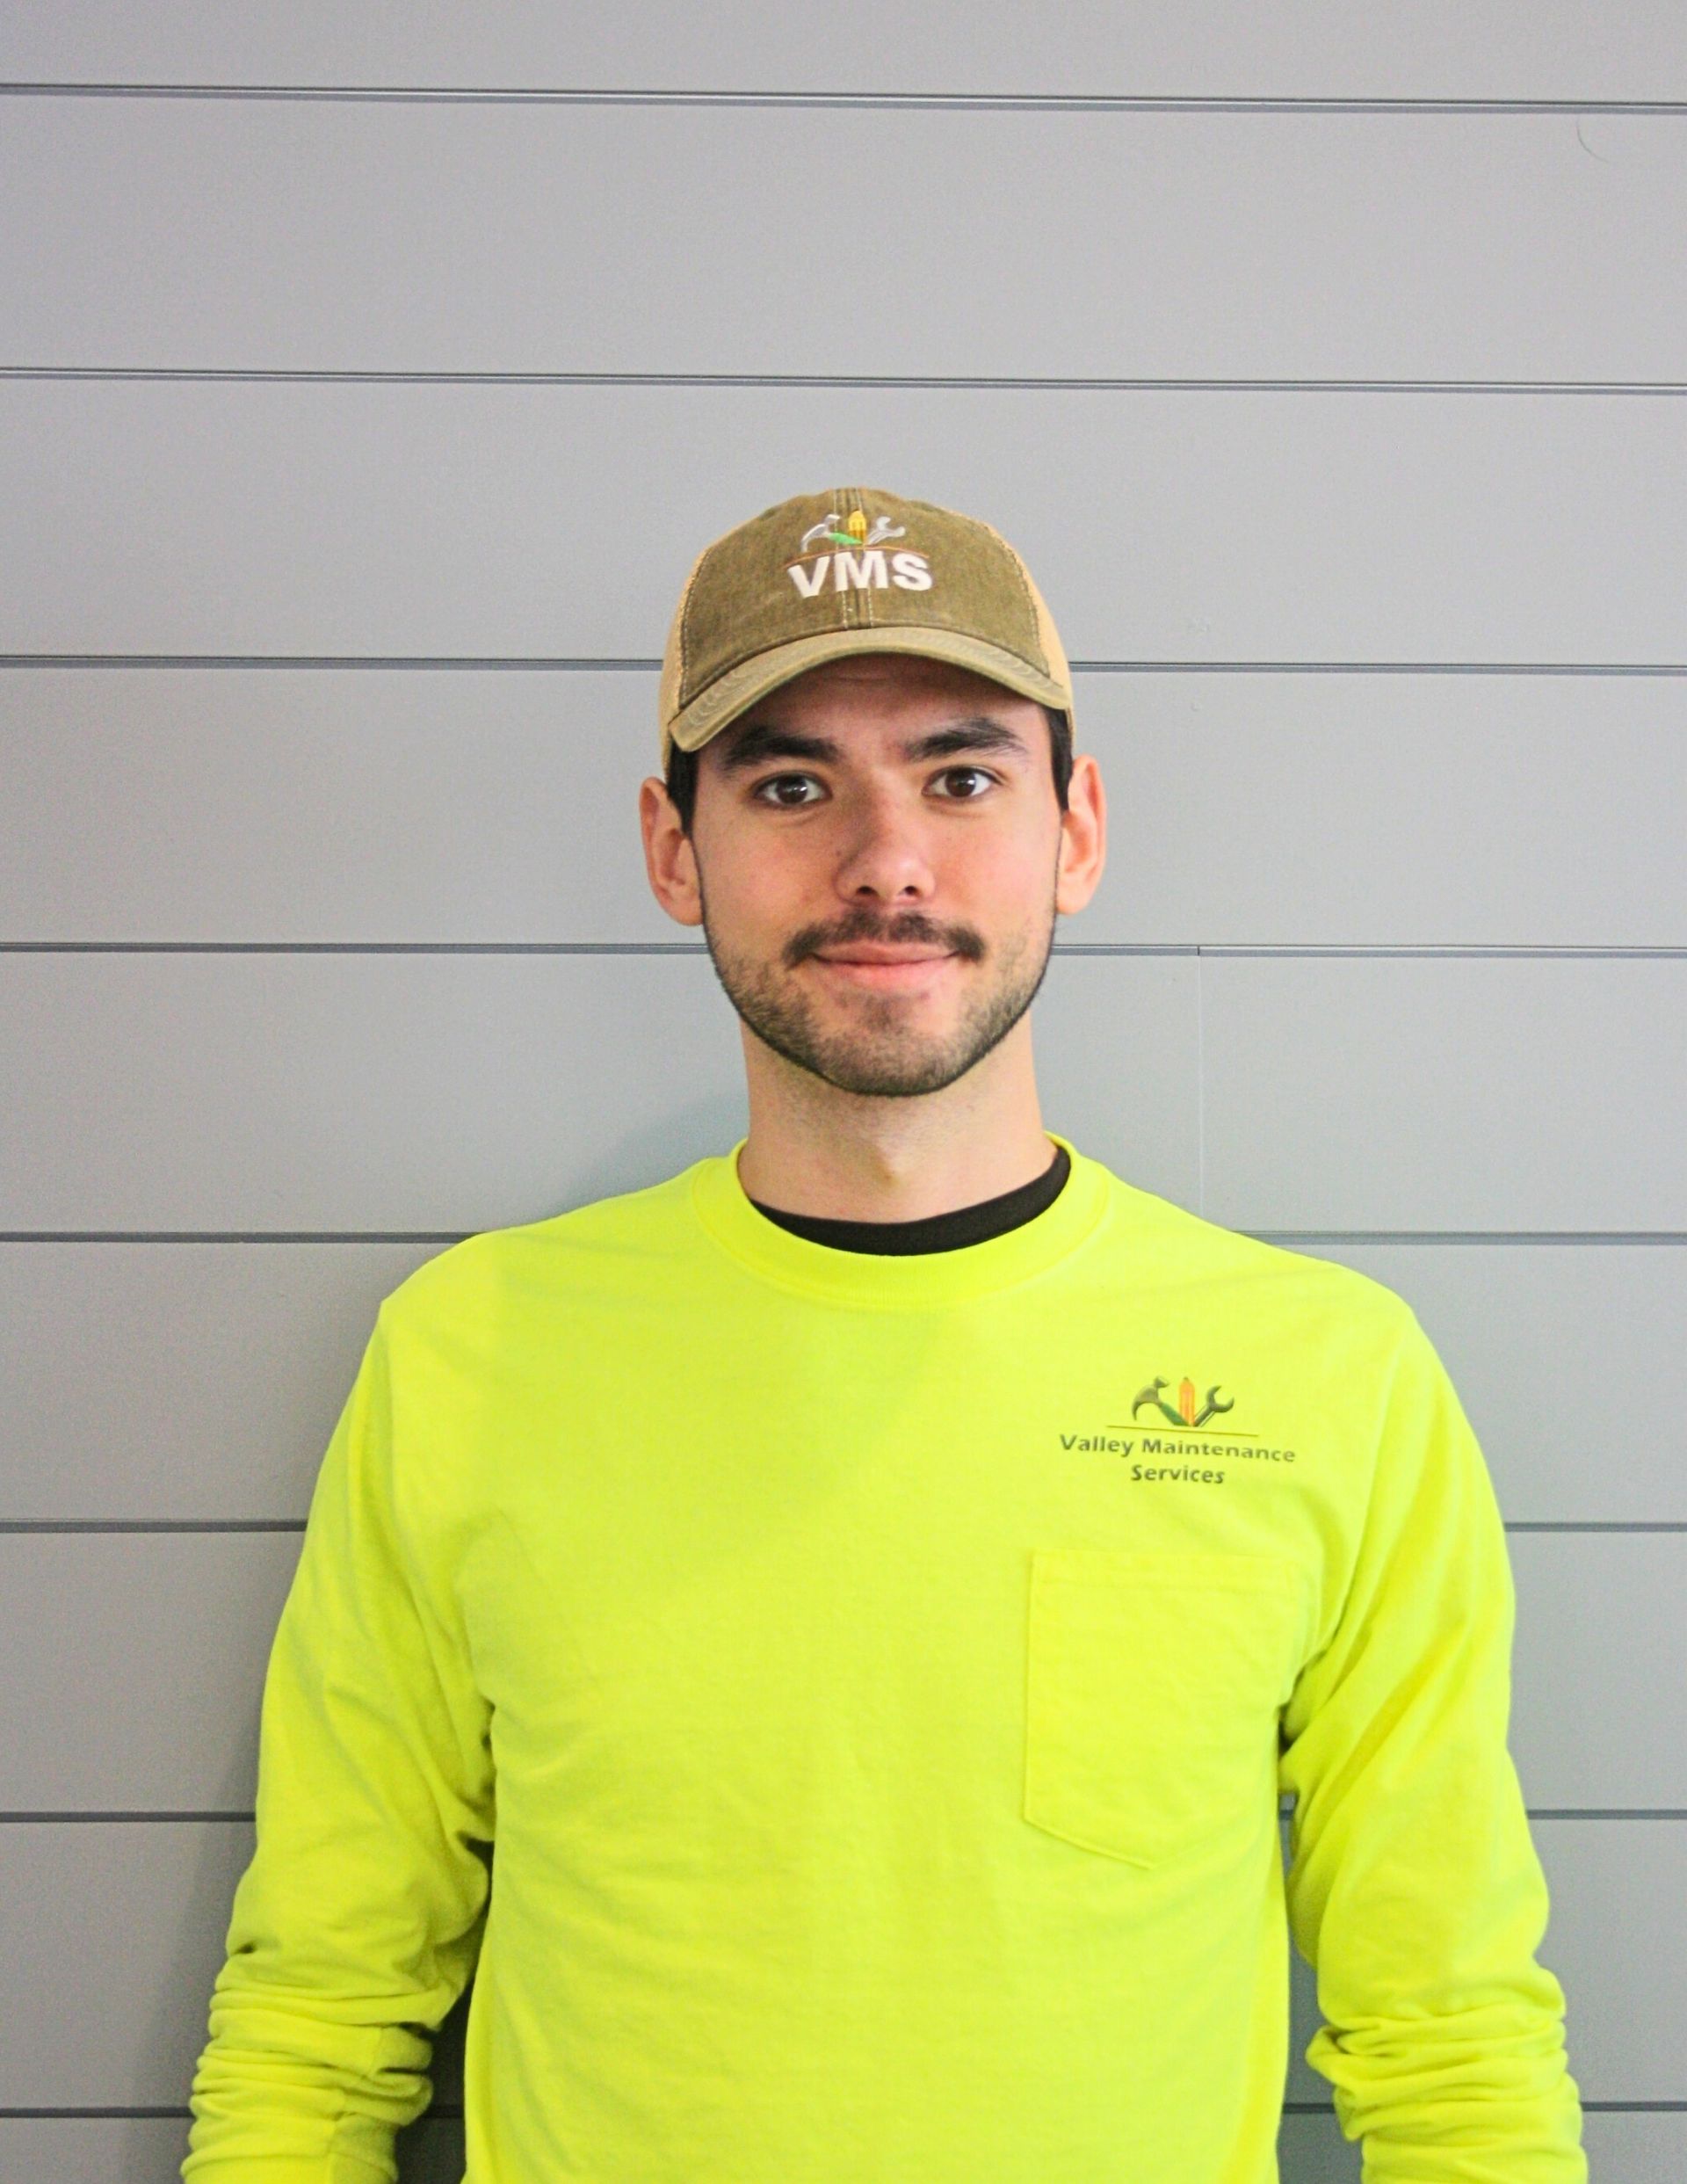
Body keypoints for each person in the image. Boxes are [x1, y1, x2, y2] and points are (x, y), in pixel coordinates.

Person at [183, 487, 1587, 2182]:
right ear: (671, 846)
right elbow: (317, 2024)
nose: (886, 860)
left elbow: (1455, 2048)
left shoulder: (1331, 1377)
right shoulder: (467, 1353)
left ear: (1076, 827)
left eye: (960, 772)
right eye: (791, 784)